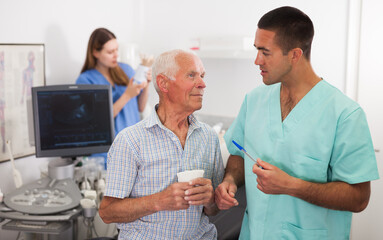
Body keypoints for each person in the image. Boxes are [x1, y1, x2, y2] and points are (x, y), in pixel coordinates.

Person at [215, 6, 379, 240]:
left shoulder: (345, 114)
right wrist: (229, 180)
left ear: (294, 54)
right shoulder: (254, 101)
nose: (256, 60)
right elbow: (238, 154)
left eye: (265, 52)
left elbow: (359, 198)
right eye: (256, 50)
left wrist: (291, 185)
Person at [99, 49, 224, 239]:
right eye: (191, 75)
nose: (202, 84)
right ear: (163, 83)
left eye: (202, 76)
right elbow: (107, 212)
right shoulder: (130, 141)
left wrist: (209, 200)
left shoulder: (208, 137)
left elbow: (212, 211)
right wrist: (158, 201)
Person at [76, 27, 150, 137]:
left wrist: (147, 83)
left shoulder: (127, 70)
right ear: (96, 53)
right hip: (107, 149)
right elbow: (98, 121)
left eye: (117, 49)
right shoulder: (85, 80)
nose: (116, 55)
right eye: (110, 52)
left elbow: (140, 107)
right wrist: (127, 95)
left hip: (133, 142)